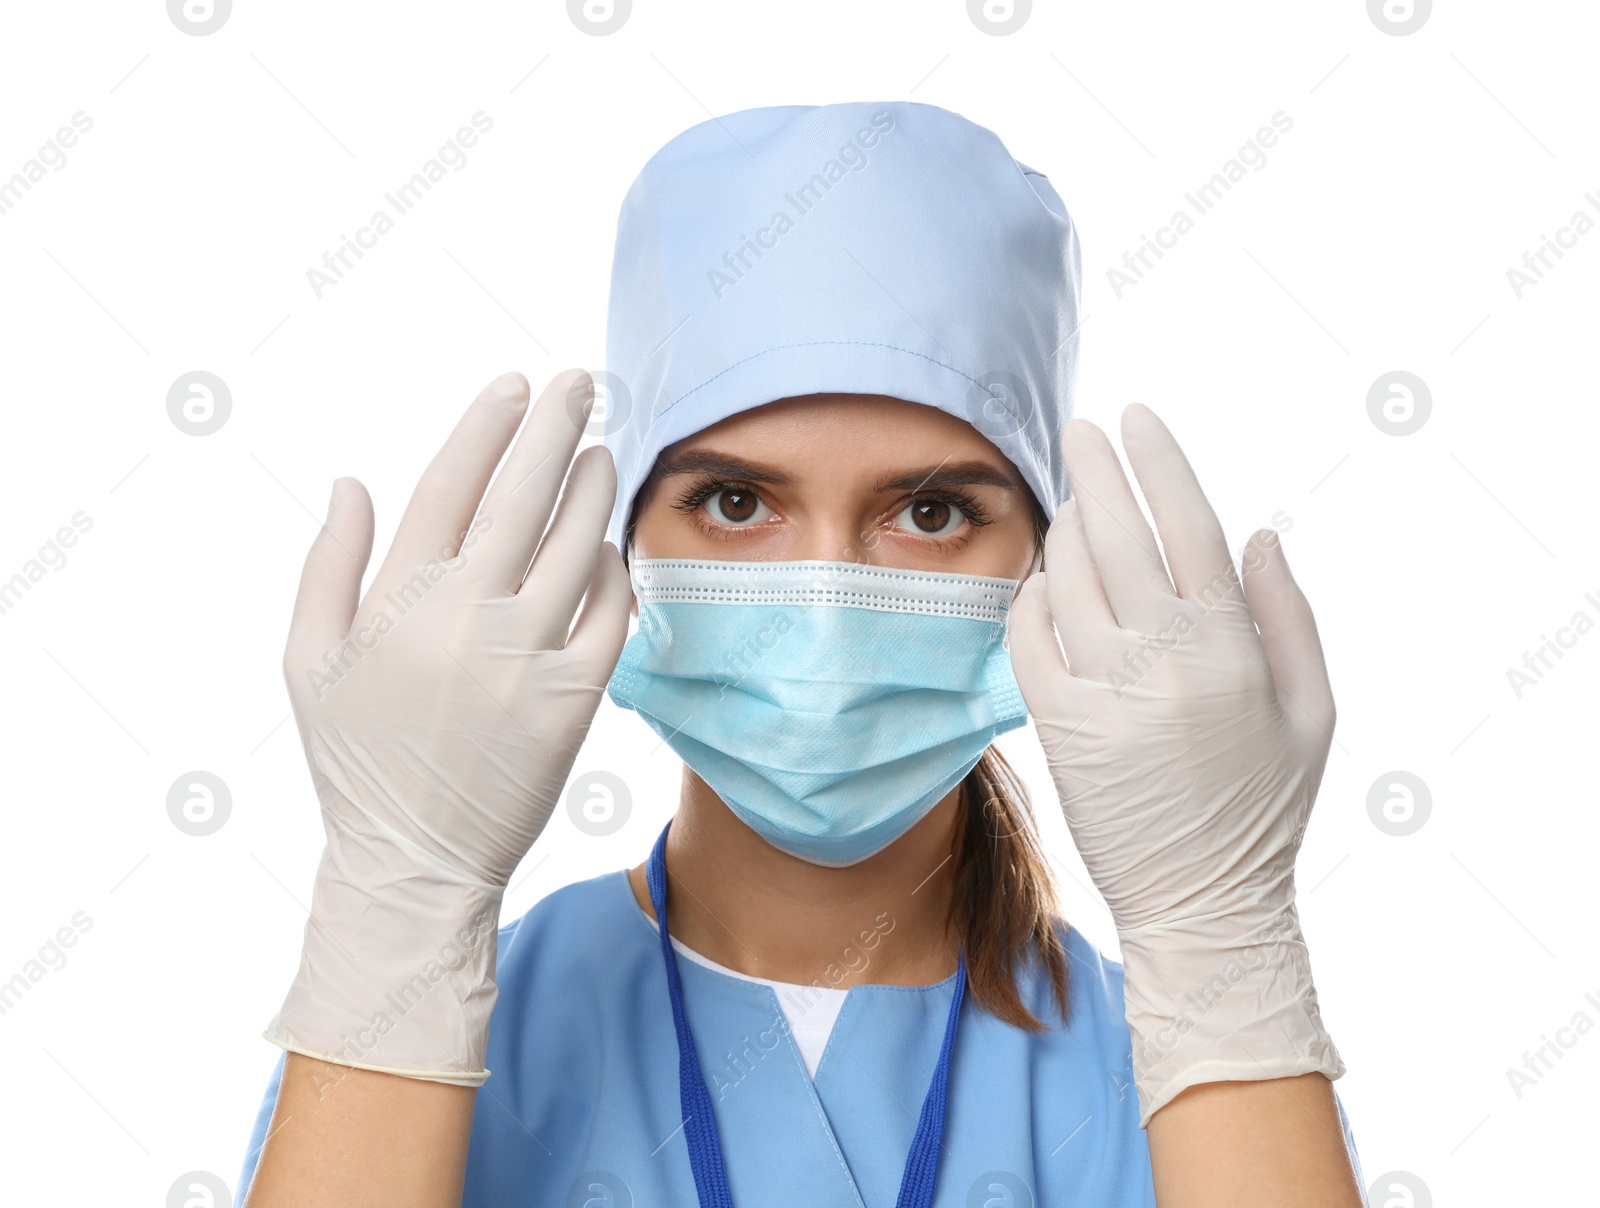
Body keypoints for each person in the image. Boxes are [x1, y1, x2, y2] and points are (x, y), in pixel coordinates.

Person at [236, 101, 1367, 1207]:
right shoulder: (435, 1016)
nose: (823, 598)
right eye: (735, 499)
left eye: (928, 513)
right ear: (623, 543)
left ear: (1044, 561)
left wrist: (1220, 935)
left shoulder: (1183, 1070)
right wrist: (398, 895)